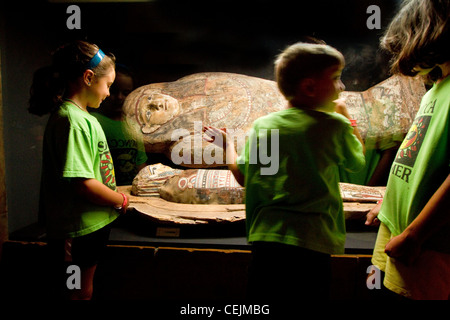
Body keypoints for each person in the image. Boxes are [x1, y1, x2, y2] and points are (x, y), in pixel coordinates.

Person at [204, 42, 365, 300]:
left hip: (267, 240)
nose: (342, 87)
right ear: (310, 87)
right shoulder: (334, 125)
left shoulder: (264, 126)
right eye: (336, 78)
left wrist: (227, 146)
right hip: (313, 242)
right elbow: (357, 162)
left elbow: (244, 177)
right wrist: (346, 115)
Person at [29, 40, 129, 300]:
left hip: (91, 226)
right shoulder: (71, 120)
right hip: (77, 229)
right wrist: (121, 200)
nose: (108, 93)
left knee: (84, 289)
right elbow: (82, 183)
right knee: (76, 294)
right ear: (88, 78)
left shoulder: (84, 118)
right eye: (108, 85)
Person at [365, 0, 450, 300]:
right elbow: (413, 155)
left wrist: (416, 235)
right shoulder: (436, 89)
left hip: (426, 245)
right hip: (395, 230)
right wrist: (387, 202)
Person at [91, 64, 148, 185]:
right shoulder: (95, 121)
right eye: (114, 91)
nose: (119, 97)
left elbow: (140, 164)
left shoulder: (135, 125)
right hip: (105, 192)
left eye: (126, 92)